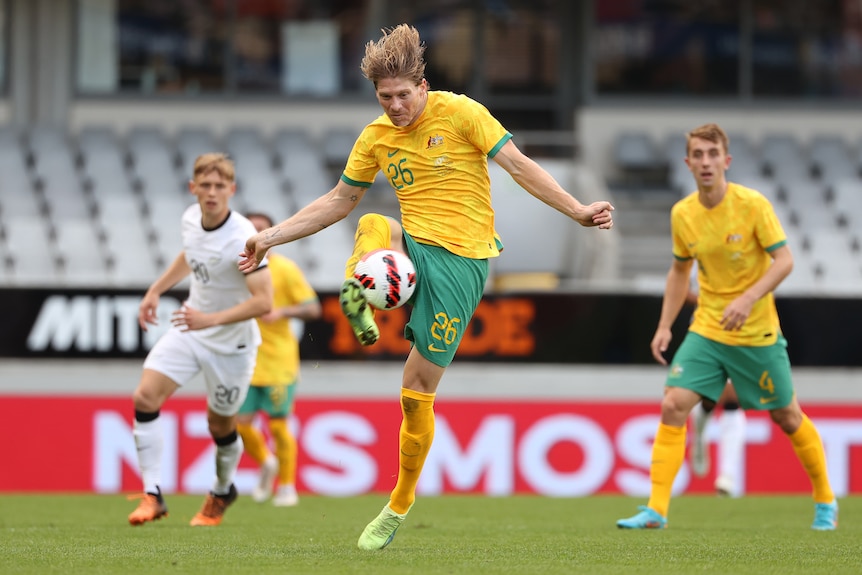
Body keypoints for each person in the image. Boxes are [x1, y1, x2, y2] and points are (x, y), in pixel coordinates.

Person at [238, 24, 615, 550]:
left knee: (415, 394)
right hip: (412, 245)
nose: (394, 106)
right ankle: (358, 293)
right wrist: (268, 238)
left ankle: (399, 502)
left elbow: (519, 166)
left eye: (401, 95)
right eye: (384, 97)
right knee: (372, 221)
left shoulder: (462, 113)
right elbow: (336, 201)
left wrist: (576, 210)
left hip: (462, 264)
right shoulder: (375, 137)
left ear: (423, 85)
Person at [616, 123, 837, 531]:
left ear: (726, 160)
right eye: (697, 155)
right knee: (671, 405)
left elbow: (785, 260)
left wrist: (748, 297)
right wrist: (665, 325)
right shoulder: (683, 213)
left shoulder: (752, 205)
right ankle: (656, 509)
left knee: (788, 416)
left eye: (712, 154)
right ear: (687, 163)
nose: (705, 162)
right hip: (708, 331)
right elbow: (680, 272)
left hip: (757, 333)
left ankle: (825, 498)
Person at [127, 153, 273, 527]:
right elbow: (191, 256)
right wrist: (155, 290)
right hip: (191, 328)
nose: (211, 193)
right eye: (204, 186)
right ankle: (152, 495)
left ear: (231, 190)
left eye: (219, 186)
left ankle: (223, 491)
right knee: (144, 397)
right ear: (193, 189)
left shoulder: (244, 237)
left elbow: (264, 301)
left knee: (219, 426)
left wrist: (209, 319)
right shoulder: (191, 218)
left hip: (232, 344)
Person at [237, 212, 322, 507]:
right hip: (245, 359)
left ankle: (286, 486)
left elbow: (313, 308)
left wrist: (283, 312)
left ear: (272, 235)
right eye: (252, 230)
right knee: (241, 424)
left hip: (278, 360)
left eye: (263, 230)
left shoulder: (285, 270)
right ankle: (266, 462)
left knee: (277, 425)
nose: (257, 235)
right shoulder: (236, 267)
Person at [686, 262, 747, 497]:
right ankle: (700, 436)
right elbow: (682, 288)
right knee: (709, 398)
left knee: (733, 398)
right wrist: (711, 303)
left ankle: (727, 476)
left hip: (742, 329)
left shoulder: (747, 248)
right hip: (705, 329)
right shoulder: (699, 250)